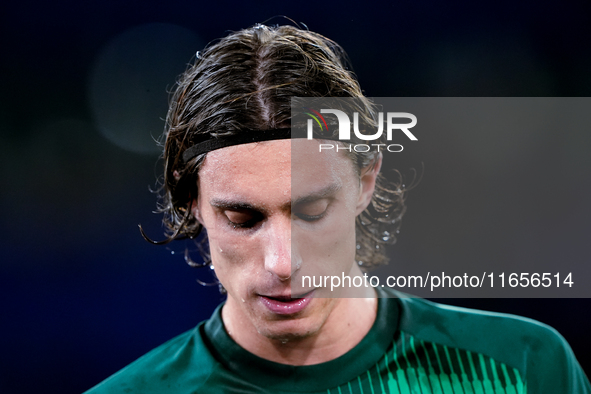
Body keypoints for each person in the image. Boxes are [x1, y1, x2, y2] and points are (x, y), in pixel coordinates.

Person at [85, 24, 590, 393]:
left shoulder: (525, 369)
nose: (282, 263)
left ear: (365, 181)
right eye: (243, 219)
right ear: (191, 200)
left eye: (311, 211)